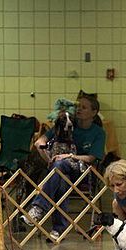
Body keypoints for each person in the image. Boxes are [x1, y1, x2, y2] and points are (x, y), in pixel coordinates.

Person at [21, 95, 106, 241]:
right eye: (78, 106)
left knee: (59, 166)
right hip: (60, 171)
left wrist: (69, 156)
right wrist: (43, 148)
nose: (79, 109)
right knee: (61, 178)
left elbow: (91, 158)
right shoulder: (67, 123)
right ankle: (57, 230)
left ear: (94, 112)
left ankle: (38, 208)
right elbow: (41, 141)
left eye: (84, 107)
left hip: (84, 171)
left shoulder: (98, 132)